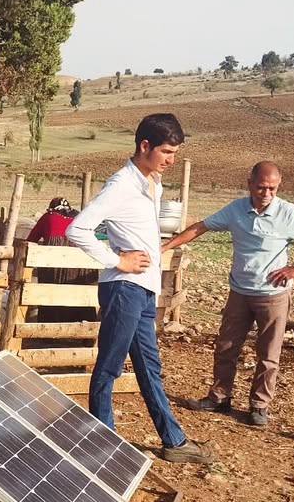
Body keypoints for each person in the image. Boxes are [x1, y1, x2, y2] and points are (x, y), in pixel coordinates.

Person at [65, 113, 214, 464]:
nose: (171, 161)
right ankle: (103, 444)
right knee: (109, 368)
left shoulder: (151, 182)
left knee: (149, 365)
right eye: (165, 152)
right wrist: (118, 259)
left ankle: (173, 440)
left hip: (144, 289)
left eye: (175, 154)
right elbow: (78, 229)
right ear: (144, 146)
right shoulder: (121, 185)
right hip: (123, 289)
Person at [162, 161, 294, 427]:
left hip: (273, 295)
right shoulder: (236, 210)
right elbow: (200, 227)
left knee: (268, 353)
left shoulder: (287, 213)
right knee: (226, 346)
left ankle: (259, 406)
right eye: (261, 187)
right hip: (240, 291)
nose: (267, 194)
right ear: (250, 183)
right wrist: (166, 246)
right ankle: (219, 397)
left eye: (272, 189)